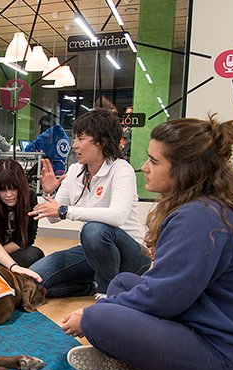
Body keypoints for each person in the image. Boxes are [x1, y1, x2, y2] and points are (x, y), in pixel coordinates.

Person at [60, 116, 233, 370]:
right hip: (232, 341)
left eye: (154, 162)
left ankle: (135, 356)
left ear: (185, 170)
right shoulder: (211, 207)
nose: (144, 168)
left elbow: (164, 298)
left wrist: (90, 317)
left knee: (98, 318)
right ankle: (137, 356)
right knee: (121, 283)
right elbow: (169, 291)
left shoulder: (198, 217)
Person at [28, 108, 150, 299]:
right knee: (33, 281)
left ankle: (108, 290)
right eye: (75, 139)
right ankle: (90, 287)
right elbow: (54, 218)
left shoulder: (121, 169)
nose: (74, 145)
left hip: (132, 254)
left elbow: (117, 215)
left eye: (80, 138)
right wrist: (48, 192)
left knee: (94, 230)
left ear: (101, 141)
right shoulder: (75, 169)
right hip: (93, 252)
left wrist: (64, 210)